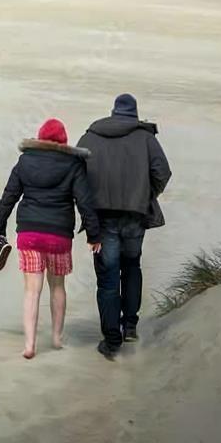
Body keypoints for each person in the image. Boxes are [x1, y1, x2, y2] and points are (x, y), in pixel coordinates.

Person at [0, 119, 101, 360]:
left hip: (29, 234)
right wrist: (94, 234)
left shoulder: (25, 161)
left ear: (40, 137)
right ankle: (56, 338)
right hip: (59, 236)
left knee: (32, 291)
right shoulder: (74, 164)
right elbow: (84, 202)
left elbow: (9, 197)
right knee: (58, 287)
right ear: (64, 141)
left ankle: (30, 345)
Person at [77, 94, 171, 360]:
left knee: (107, 278)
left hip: (102, 218)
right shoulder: (146, 138)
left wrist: (87, 204)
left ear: (113, 111)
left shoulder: (90, 137)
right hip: (134, 216)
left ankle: (111, 340)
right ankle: (130, 326)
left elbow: (76, 175)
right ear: (134, 113)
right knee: (131, 266)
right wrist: (146, 195)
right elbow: (163, 173)